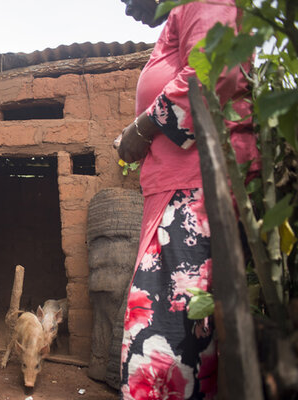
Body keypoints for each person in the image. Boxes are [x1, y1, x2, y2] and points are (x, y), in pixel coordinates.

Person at [114, 0, 260, 398]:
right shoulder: (180, 15)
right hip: (178, 193)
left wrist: (140, 129)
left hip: (194, 196)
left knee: (163, 356)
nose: (128, 10)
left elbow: (214, 68)